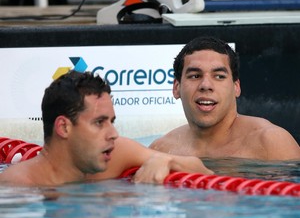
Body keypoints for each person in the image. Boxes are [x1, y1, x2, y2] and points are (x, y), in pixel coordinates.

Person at [0, 71, 212, 186]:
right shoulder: (18, 187)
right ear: (64, 127)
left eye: (112, 121)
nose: (113, 134)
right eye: (99, 122)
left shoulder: (117, 152)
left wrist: (166, 160)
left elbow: (204, 171)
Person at [149, 36, 300, 160]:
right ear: (176, 88)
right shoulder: (162, 150)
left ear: (236, 87)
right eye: (195, 76)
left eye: (219, 76)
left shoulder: (270, 142)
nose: (206, 85)